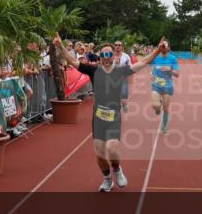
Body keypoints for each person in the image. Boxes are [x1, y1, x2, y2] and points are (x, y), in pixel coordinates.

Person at [55, 34, 167, 192]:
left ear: (114, 56)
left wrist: (157, 51)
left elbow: (144, 62)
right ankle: (107, 179)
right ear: (100, 57)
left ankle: (117, 169)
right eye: (103, 54)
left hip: (114, 116)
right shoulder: (93, 70)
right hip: (98, 118)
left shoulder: (120, 71)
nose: (106, 57)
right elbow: (73, 61)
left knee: (112, 149)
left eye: (109, 54)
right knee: (100, 153)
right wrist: (60, 46)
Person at [150, 39, 181, 135]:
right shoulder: (155, 57)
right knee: (155, 105)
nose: (163, 48)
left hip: (167, 86)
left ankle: (164, 127)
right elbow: (152, 67)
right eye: (162, 46)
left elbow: (177, 74)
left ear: (168, 48)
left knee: (166, 108)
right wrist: (151, 74)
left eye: (165, 46)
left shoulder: (172, 59)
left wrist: (170, 70)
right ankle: (157, 107)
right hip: (156, 85)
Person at [113, 41, 133, 113]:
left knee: (124, 100)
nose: (117, 46)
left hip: (123, 79)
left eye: (119, 45)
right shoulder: (110, 55)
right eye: (116, 45)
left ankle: (124, 105)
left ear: (122, 47)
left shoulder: (126, 56)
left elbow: (130, 67)